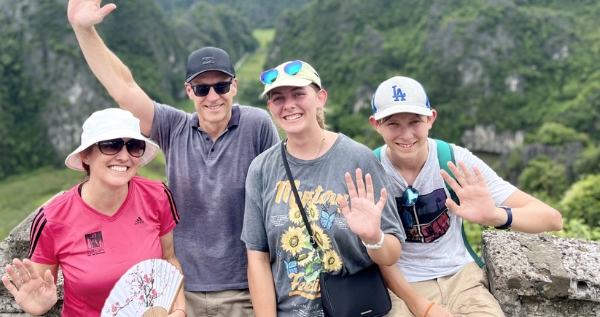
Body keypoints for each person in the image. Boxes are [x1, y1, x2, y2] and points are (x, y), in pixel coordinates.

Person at [67, 0, 280, 317]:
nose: (213, 96)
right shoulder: (174, 127)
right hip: (181, 291)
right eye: (201, 88)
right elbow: (124, 87)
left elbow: (278, 198)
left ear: (235, 86)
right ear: (189, 91)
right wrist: (83, 30)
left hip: (245, 288)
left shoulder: (256, 124)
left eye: (221, 86)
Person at [369, 76, 564, 317]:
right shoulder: (370, 170)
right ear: (375, 124)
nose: (406, 134)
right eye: (393, 124)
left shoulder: (455, 161)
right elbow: (375, 250)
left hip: (462, 278)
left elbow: (552, 219)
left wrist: (495, 216)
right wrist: (422, 306)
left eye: (415, 121)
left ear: (431, 119)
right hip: (401, 286)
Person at [241, 60, 405, 316]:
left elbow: (392, 253)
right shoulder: (261, 169)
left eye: (298, 94)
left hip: (356, 310)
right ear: (270, 107)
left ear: (320, 98)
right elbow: (258, 258)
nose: (289, 105)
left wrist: (374, 238)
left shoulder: (358, 160)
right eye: (278, 98)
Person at [2, 108, 185, 317]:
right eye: (111, 145)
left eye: (133, 146)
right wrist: (39, 306)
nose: (124, 156)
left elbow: (168, 259)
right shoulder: (53, 219)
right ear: (85, 156)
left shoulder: (157, 195)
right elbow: (40, 289)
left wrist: (179, 309)